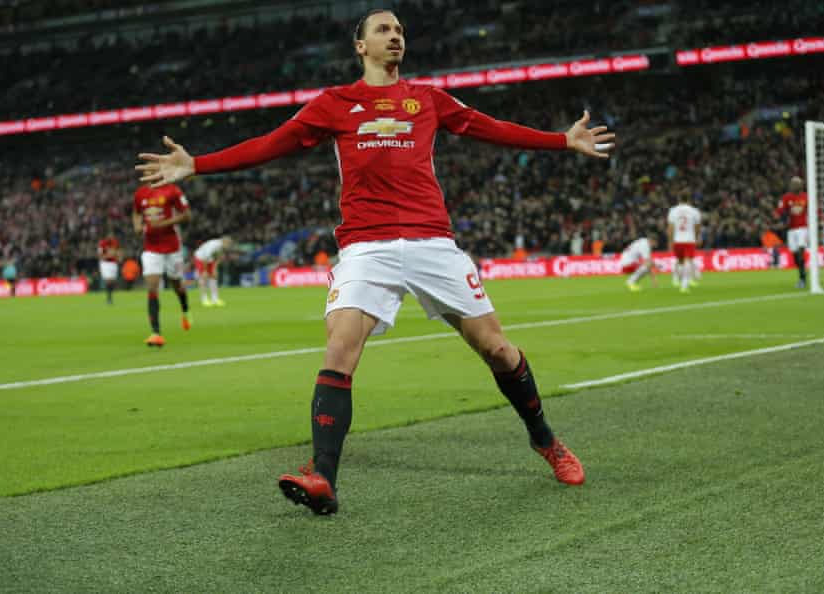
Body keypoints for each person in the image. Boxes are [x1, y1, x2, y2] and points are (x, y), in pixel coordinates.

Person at [137, 8, 614, 515]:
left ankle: (545, 440)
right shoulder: (334, 104)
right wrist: (199, 165)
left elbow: (488, 127)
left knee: (497, 349)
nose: (395, 37)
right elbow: (272, 144)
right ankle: (322, 477)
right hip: (367, 245)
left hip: (433, 242)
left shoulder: (428, 99)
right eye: (383, 30)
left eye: (400, 30)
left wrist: (561, 140)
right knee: (340, 349)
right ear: (360, 46)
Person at [132, 183, 193, 347]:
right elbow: (136, 213)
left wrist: (165, 223)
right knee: (152, 286)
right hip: (151, 247)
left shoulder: (172, 190)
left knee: (176, 285)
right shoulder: (141, 193)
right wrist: (137, 225)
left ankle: (185, 309)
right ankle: (156, 333)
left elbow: (187, 215)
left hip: (172, 247)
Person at [775, 176, 809, 288]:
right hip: (791, 230)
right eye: (792, 183)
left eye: (796, 183)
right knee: (795, 256)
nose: (793, 185)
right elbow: (780, 210)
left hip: (803, 228)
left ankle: (803, 279)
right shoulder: (786, 197)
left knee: (800, 251)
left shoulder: (806, 197)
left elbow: (814, 211)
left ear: (801, 185)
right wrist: (784, 216)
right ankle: (802, 274)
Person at [667, 196, 701, 294]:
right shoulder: (694, 211)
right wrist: (698, 237)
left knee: (680, 261)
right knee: (688, 261)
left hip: (677, 240)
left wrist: (670, 241)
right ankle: (684, 285)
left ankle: (677, 280)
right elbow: (697, 227)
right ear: (689, 200)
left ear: (679, 200)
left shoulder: (673, 210)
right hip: (689, 240)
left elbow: (670, 227)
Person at [193, 235, 233, 307]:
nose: (229, 246)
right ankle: (204, 299)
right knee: (203, 278)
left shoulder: (222, 247)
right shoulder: (213, 245)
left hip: (210, 259)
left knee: (214, 277)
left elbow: (219, 257)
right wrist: (205, 271)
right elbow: (205, 257)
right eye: (229, 244)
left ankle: (215, 299)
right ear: (224, 242)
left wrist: (215, 268)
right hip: (200, 258)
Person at [97, 232, 121, 304]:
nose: (111, 237)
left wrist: (118, 256)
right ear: (106, 236)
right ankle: (109, 298)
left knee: (112, 281)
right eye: (110, 235)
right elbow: (99, 254)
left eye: (112, 235)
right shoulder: (102, 243)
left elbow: (118, 252)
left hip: (113, 263)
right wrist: (108, 256)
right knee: (108, 280)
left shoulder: (115, 242)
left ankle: (110, 296)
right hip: (105, 263)